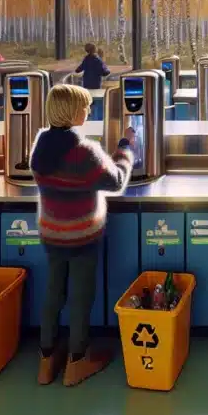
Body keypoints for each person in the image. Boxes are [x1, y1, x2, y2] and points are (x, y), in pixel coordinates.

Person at [31, 84, 136, 386]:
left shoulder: (41, 147)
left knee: (53, 294)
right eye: (85, 106)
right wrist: (125, 148)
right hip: (82, 237)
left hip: (52, 234)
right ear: (73, 112)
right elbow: (116, 180)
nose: (89, 111)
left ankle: (46, 360)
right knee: (80, 297)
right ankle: (77, 362)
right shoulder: (84, 152)